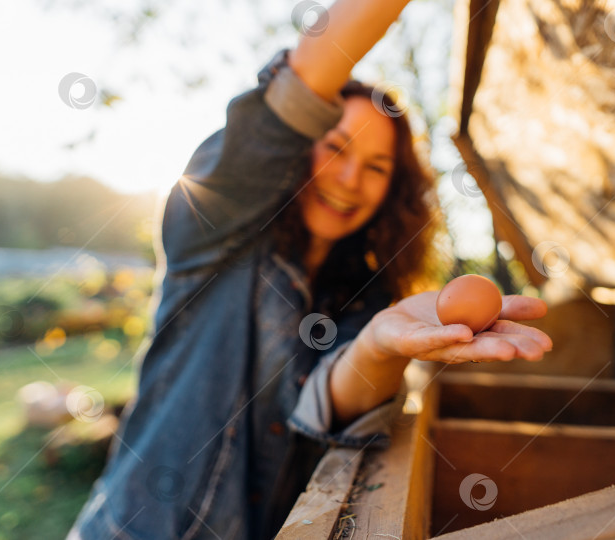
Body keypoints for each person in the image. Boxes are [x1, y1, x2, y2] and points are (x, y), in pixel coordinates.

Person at [67, 0, 552, 538]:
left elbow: (324, 401)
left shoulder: (360, 295)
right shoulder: (216, 230)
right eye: (335, 148)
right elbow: (296, 92)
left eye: (376, 168)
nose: (349, 179)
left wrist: (377, 344)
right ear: (298, 150)